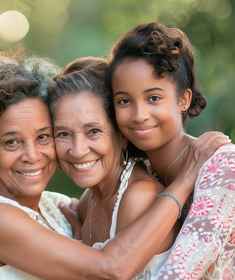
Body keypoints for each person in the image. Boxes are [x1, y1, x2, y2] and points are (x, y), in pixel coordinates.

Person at [0, 49, 229, 279]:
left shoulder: (46, 207)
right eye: (11, 142)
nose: (32, 155)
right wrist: (186, 177)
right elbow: (111, 267)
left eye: (44, 136)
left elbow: (88, 210)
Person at [107, 21, 235, 279]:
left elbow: (178, 274)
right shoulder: (140, 171)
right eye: (124, 101)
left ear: (183, 100)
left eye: (153, 98)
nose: (138, 115)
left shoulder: (224, 167)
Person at [49, 56, 179, 278]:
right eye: (63, 134)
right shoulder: (88, 201)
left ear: (121, 136)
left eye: (94, 131)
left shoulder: (139, 196)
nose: (78, 150)